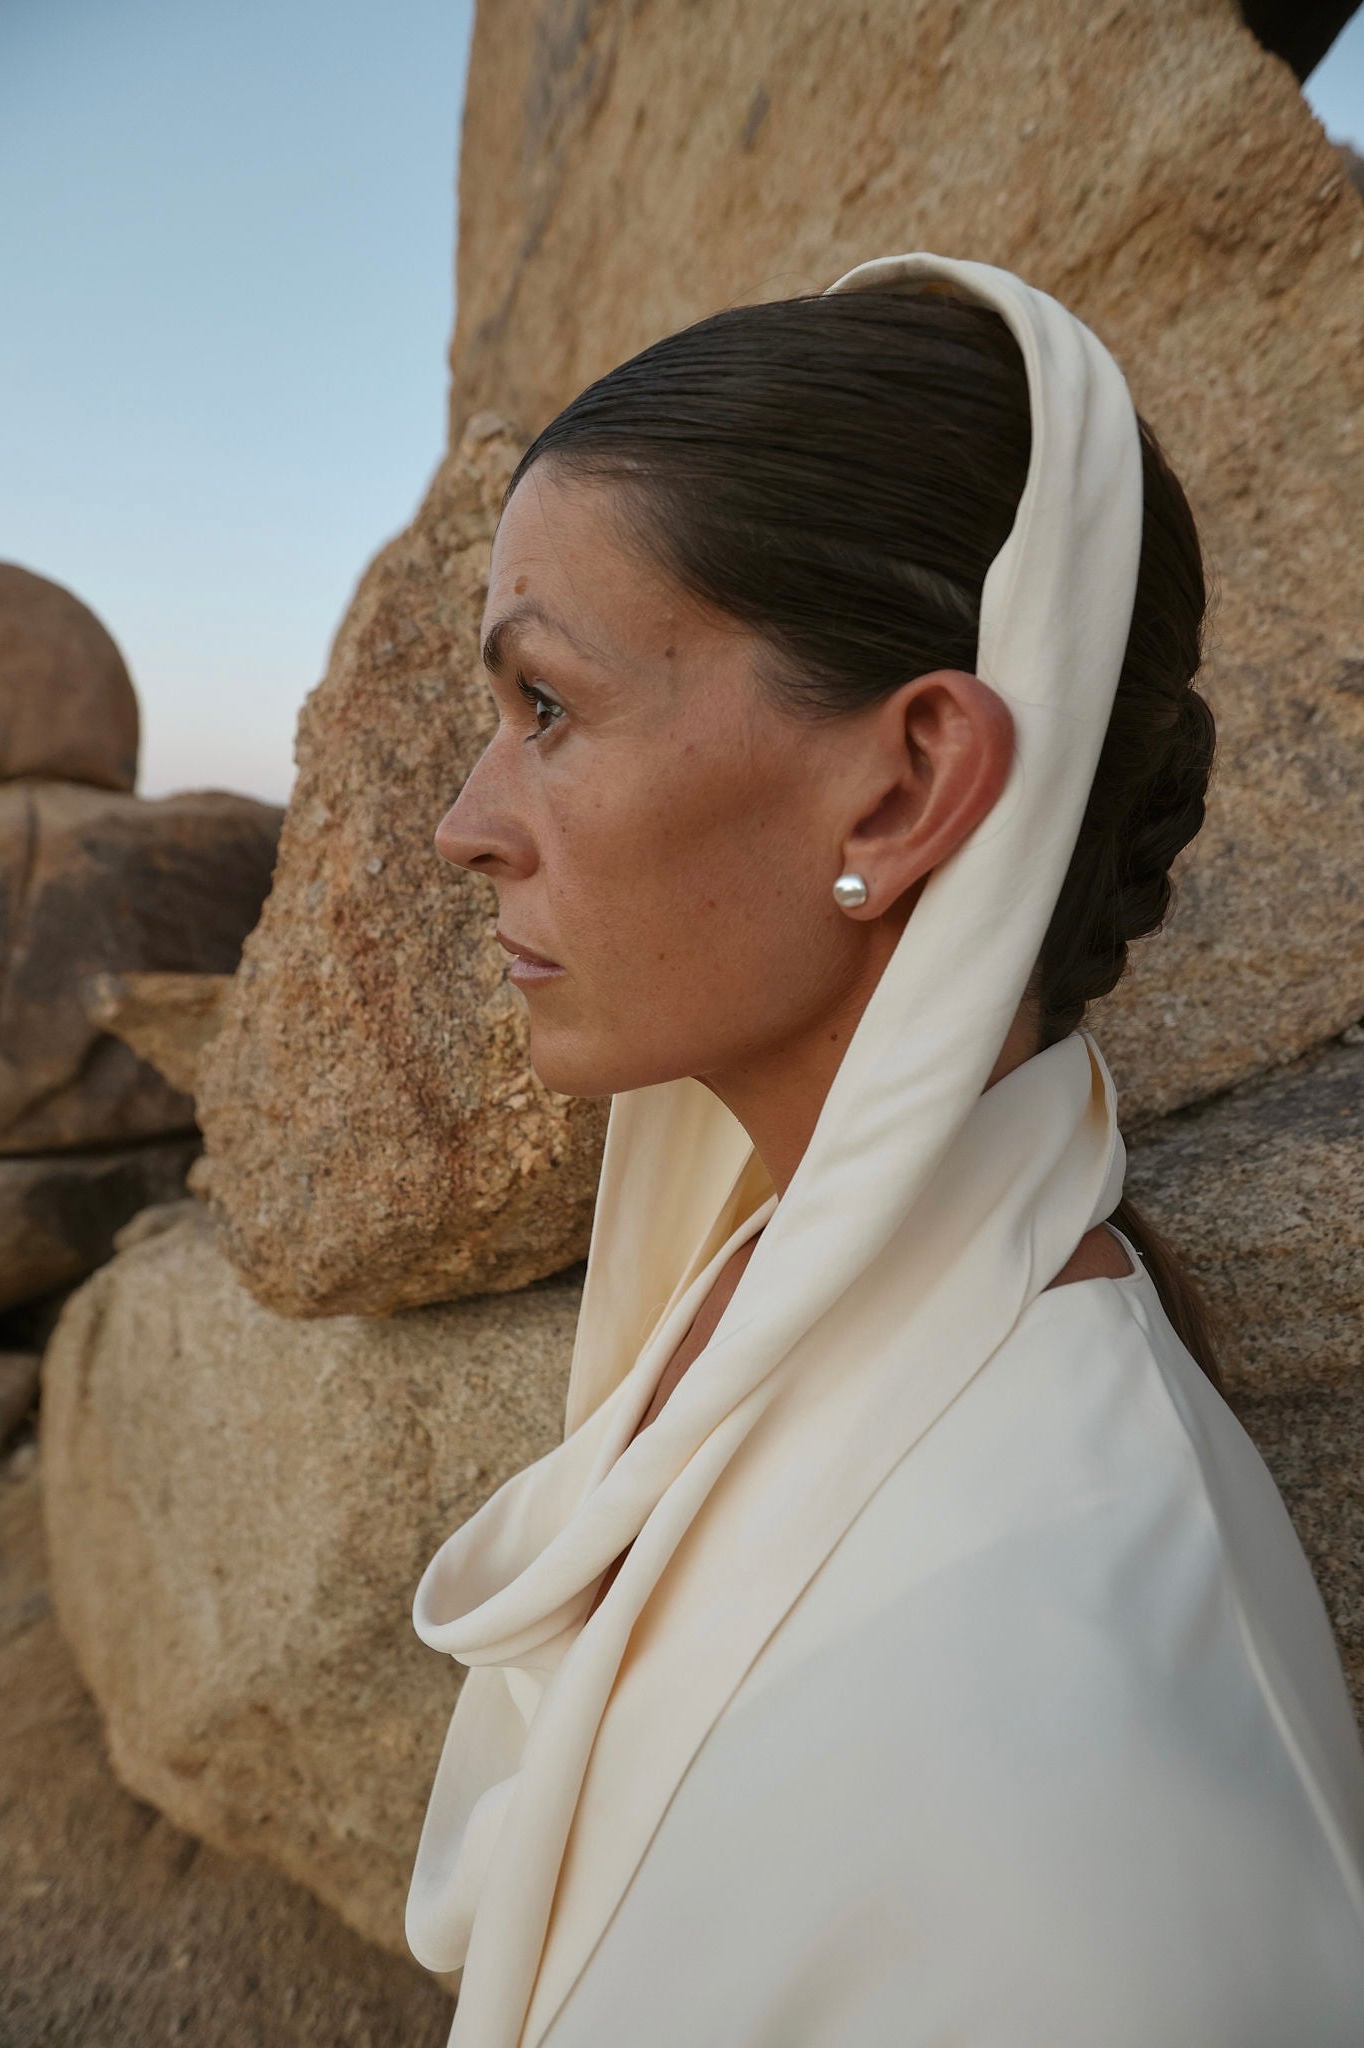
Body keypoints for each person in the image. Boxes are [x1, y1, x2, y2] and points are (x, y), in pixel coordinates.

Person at [403, 253, 1364, 2045]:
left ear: (909, 783)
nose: (467, 826)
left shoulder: (1081, 1737)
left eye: (546, 706)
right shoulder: (761, 1306)